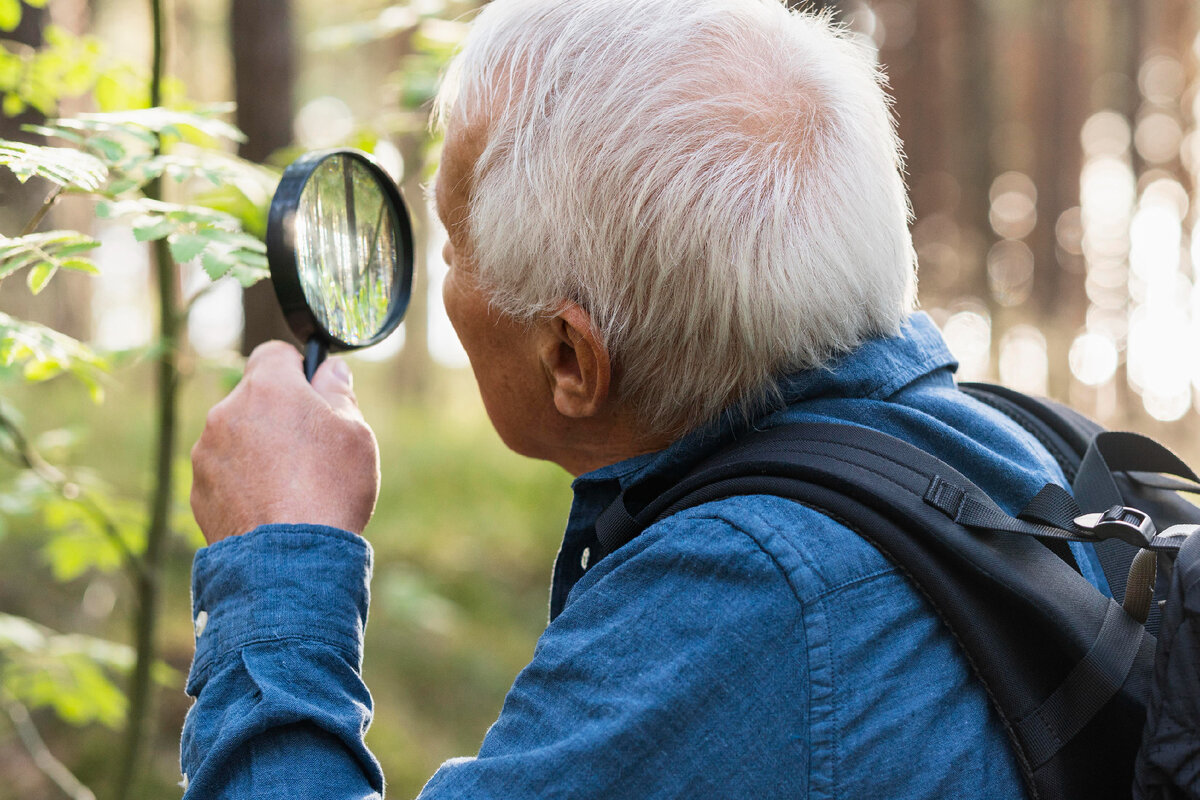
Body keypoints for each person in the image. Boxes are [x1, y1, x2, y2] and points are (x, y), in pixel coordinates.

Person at [183, 0, 1110, 796]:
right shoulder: (1014, 453)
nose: (445, 275)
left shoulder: (747, 605)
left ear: (570, 359)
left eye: (455, 247)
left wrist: (280, 559)